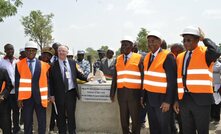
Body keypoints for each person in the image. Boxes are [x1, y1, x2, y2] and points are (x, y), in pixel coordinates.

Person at [173, 26, 221, 134]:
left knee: (202, 130)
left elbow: (217, 51)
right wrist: (177, 99)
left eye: (189, 40)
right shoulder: (180, 57)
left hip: (201, 101)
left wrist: (204, 39)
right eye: (184, 40)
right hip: (184, 100)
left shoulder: (205, 53)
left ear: (197, 40)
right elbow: (179, 80)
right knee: (187, 131)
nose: (185, 43)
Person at [141, 31, 177, 134]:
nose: (150, 43)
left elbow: (172, 81)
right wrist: (143, 96)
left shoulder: (167, 56)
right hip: (150, 99)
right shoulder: (147, 57)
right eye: (148, 41)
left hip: (162, 101)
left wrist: (168, 101)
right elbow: (146, 78)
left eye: (153, 41)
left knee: (164, 128)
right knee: (154, 127)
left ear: (160, 42)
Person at [49, 45, 90, 134]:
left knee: (71, 115)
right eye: (59, 51)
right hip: (59, 94)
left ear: (67, 53)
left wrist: (88, 78)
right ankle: (62, 131)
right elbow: (51, 82)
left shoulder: (72, 63)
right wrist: (51, 95)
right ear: (57, 53)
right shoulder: (52, 65)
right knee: (60, 116)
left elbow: (79, 74)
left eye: (63, 51)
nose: (61, 53)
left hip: (71, 93)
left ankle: (72, 131)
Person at [15, 41, 50, 134]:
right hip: (26, 98)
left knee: (42, 122)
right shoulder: (19, 64)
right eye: (28, 50)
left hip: (40, 98)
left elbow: (48, 82)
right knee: (27, 122)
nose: (30, 52)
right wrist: (18, 98)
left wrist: (48, 96)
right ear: (25, 52)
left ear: (36, 52)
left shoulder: (44, 65)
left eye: (33, 50)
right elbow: (17, 83)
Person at [110, 36, 143, 134]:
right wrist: (112, 92)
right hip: (122, 94)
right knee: (124, 120)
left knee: (135, 120)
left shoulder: (139, 58)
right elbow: (115, 78)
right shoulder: (118, 59)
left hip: (135, 94)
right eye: (122, 44)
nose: (123, 46)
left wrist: (142, 95)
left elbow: (143, 77)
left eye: (126, 44)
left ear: (132, 46)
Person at [0, 43, 20, 134]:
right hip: (6, 93)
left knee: (16, 112)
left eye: (11, 49)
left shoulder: (18, 61)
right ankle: (7, 130)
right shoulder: (1, 61)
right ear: (5, 51)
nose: (10, 51)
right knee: (6, 114)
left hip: (17, 92)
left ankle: (16, 129)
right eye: (8, 49)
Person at [0, 68, 13, 134]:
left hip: (2, 103)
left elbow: (9, 85)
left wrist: (3, 96)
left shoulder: (3, 71)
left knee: (6, 125)